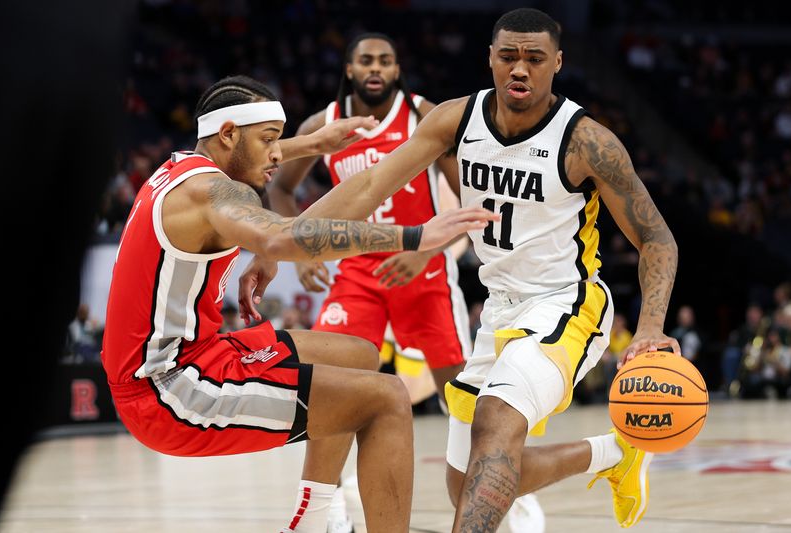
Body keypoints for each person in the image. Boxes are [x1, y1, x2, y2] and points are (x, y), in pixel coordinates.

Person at [285, 8, 681, 532]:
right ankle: (613, 453)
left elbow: (657, 238)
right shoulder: (455, 119)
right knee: (464, 483)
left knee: (495, 424)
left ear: (556, 63)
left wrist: (650, 327)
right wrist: (280, 246)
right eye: (509, 56)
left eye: (534, 59)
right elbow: (368, 186)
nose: (520, 69)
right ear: (490, 59)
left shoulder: (587, 142)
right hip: (498, 311)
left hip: (567, 304)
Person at [100, 75, 497, 533]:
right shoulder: (211, 193)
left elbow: (261, 173)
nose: (276, 152)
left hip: (197, 355)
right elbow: (284, 235)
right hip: (168, 391)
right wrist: (415, 235)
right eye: (269, 139)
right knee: (387, 399)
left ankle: (313, 521)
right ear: (228, 134)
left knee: (358, 354)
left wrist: (312, 142)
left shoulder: (182, 167)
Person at [266, 32, 542, 532]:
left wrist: (426, 252)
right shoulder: (323, 125)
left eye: (386, 60)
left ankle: (509, 498)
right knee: (332, 384)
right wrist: (301, 255)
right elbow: (282, 191)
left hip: (424, 271)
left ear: (397, 69)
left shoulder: (422, 114)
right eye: (367, 60)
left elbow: (471, 192)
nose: (377, 68)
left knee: (461, 395)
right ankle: (325, 510)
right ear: (349, 69)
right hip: (357, 274)